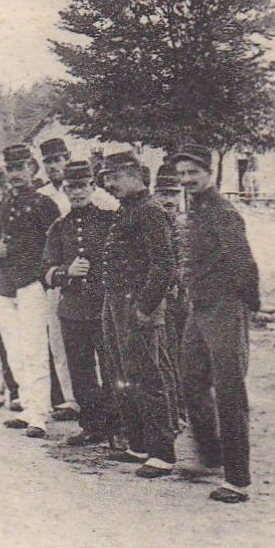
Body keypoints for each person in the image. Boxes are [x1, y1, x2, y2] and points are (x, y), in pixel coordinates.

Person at [170, 144, 260, 504]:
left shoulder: (223, 212)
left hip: (224, 307)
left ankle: (238, 479)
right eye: (181, 175)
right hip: (200, 307)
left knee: (229, 390)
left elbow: (243, 264)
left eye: (193, 173)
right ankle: (211, 455)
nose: (187, 180)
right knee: (191, 378)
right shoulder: (196, 209)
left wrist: (247, 307)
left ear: (209, 173)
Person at [96, 151, 178, 478]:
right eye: (106, 179)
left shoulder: (150, 211)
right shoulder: (128, 209)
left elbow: (164, 265)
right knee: (122, 372)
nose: (109, 184)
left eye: (114, 177)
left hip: (136, 303)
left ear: (133, 174)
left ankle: (163, 452)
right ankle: (139, 443)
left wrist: (144, 308)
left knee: (147, 375)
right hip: (116, 300)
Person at [0, 145, 62, 435]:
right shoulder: (3, 207)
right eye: (11, 169)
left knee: (34, 349)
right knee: (15, 351)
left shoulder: (44, 205)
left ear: (32, 169)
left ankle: (39, 415)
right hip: (5, 286)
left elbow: (56, 243)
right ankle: (28, 404)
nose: (16, 174)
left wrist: (46, 275)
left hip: (31, 283)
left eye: (21, 168)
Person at [42, 160, 118, 447]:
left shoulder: (110, 220)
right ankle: (92, 425)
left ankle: (117, 426)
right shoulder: (59, 228)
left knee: (112, 367)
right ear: (64, 189)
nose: (77, 193)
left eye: (82, 186)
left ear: (92, 187)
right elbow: (45, 269)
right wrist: (66, 272)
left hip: (104, 307)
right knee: (81, 369)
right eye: (71, 187)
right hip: (72, 309)